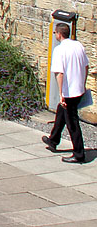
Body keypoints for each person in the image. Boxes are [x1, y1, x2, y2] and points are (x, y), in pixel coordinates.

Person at [44, 23, 89, 163]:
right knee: (61, 112)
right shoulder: (78, 46)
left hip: (69, 92)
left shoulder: (59, 50)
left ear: (58, 34)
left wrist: (61, 93)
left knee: (72, 123)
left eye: (55, 33)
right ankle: (53, 140)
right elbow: (86, 66)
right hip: (79, 89)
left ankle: (79, 154)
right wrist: (83, 83)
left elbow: (59, 73)